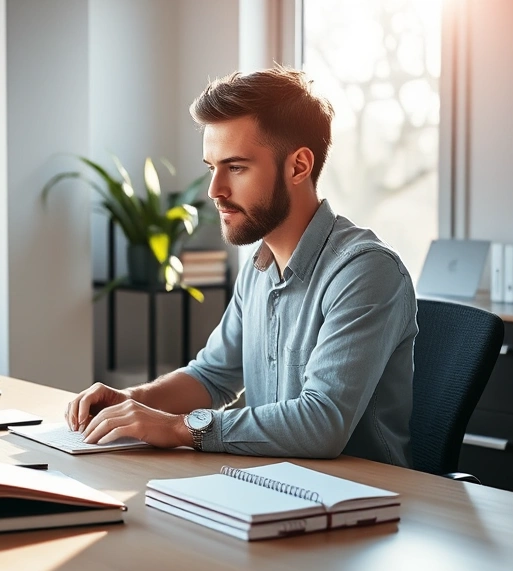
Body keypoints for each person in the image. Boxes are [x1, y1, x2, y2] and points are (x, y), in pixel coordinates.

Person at [65, 67, 417, 466]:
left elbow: (322, 423)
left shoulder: (364, 271)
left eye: (235, 167)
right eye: (211, 167)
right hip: (274, 484)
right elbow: (212, 377)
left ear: (299, 166)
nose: (215, 191)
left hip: (362, 497)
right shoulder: (259, 268)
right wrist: (131, 402)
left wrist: (178, 427)